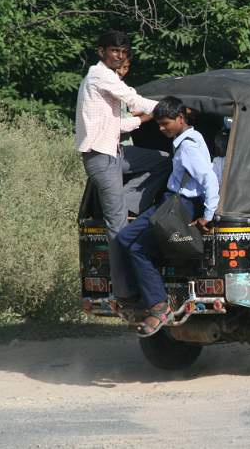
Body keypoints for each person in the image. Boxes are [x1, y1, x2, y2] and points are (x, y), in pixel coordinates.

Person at [75, 30, 171, 308]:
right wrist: (172, 109)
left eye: (123, 51)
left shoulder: (106, 80)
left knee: (162, 159)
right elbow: (135, 101)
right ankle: (126, 293)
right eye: (114, 51)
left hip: (114, 151)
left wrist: (143, 120)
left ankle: (126, 201)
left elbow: (116, 124)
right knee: (117, 229)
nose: (119, 56)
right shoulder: (99, 76)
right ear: (101, 51)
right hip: (101, 157)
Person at [117, 96, 220, 337]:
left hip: (180, 205)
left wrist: (208, 214)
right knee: (128, 241)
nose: (162, 129)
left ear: (181, 118)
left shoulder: (189, 147)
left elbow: (209, 180)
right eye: (160, 124)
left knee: (134, 247)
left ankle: (157, 305)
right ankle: (147, 299)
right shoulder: (183, 141)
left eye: (166, 123)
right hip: (171, 202)